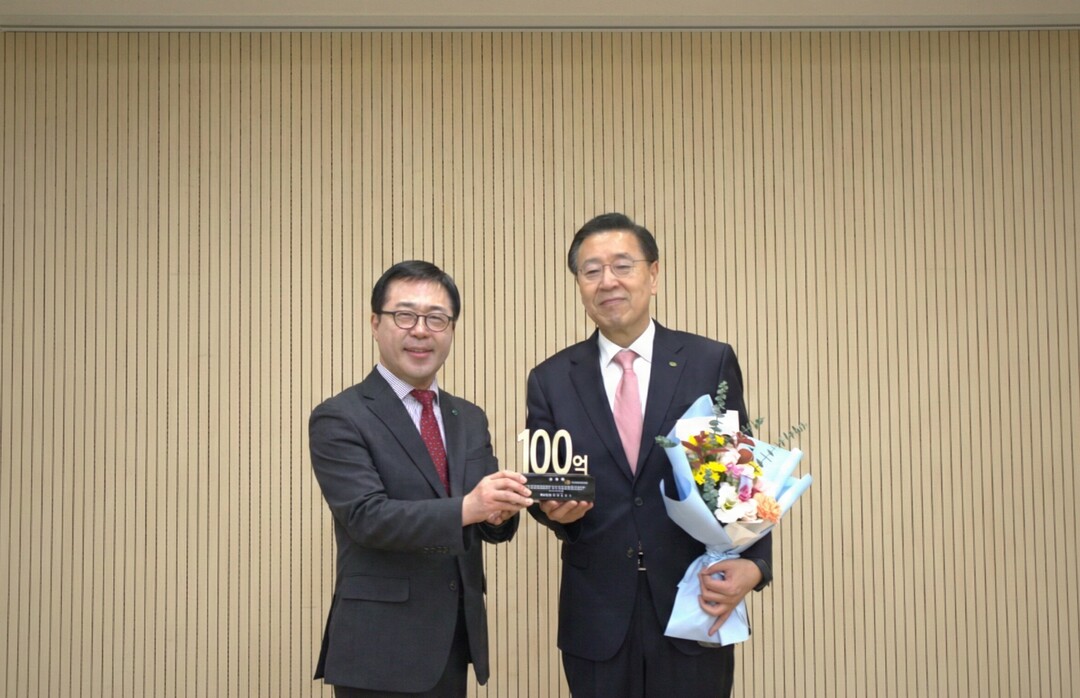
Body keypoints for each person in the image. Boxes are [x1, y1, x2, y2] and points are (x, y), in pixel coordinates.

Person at [526, 213, 773, 698]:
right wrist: (551, 510)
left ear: (653, 275)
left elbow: (740, 483)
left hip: (694, 601)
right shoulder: (551, 379)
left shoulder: (707, 362)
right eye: (591, 270)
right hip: (596, 614)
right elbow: (547, 481)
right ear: (579, 284)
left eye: (623, 265)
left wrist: (756, 565)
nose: (607, 281)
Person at [310, 260, 533, 697]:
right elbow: (366, 517)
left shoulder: (469, 417)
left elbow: (485, 519)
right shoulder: (340, 416)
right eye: (405, 315)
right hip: (377, 647)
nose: (420, 330)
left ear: (451, 330)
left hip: (453, 638)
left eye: (436, 318)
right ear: (375, 324)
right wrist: (470, 507)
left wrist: (500, 512)